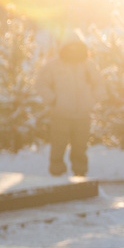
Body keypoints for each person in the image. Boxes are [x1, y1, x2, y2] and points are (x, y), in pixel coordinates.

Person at [36, 31, 103, 177]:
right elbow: (42, 84)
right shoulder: (53, 65)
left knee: (80, 147)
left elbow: (99, 83)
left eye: (76, 47)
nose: (73, 50)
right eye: (70, 47)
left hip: (83, 115)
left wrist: (93, 100)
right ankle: (56, 174)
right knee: (58, 145)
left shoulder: (88, 65)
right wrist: (53, 99)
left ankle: (80, 174)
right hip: (61, 113)